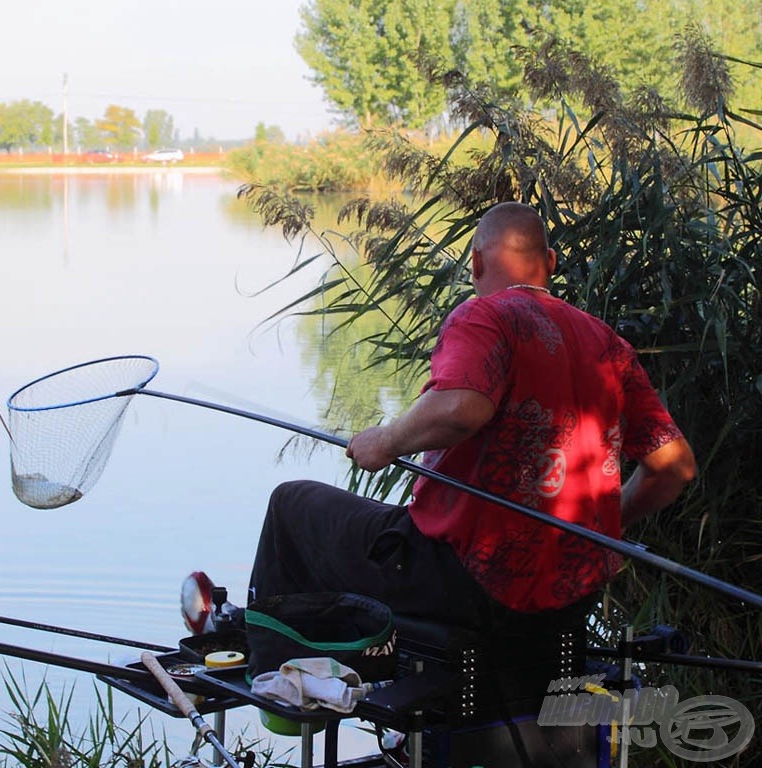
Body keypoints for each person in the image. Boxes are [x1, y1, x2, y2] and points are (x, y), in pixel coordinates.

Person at [247, 202, 697, 632]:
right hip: (572, 594)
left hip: (467, 580)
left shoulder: (485, 316)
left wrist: (384, 441)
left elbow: (462, 408)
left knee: (292, 505)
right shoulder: (607, 345)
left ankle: (280, 678)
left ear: (477, 262)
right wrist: (599, 528)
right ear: (552, 262)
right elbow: (675, 467)